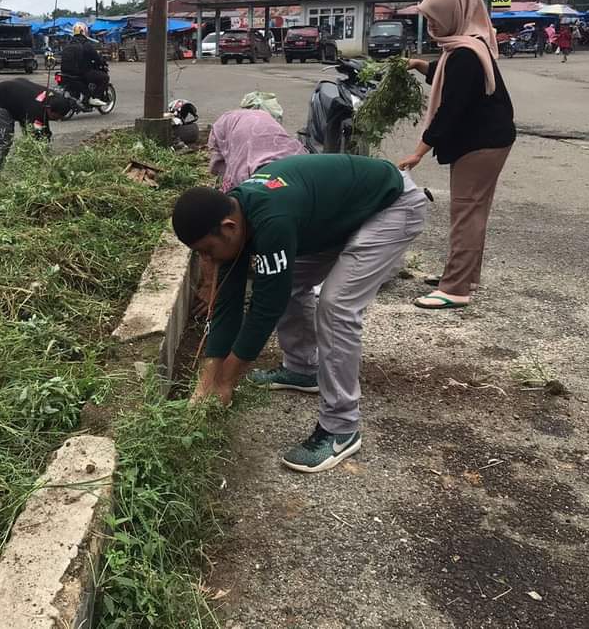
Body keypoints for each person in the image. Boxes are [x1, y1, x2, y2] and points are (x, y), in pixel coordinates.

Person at [172, 154, 427, 473]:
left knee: (336, 306)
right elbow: (228, 305)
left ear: (228, 227)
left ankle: (341, 427)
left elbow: (266, 308)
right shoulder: (237, 217)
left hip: (391, 206)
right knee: (286, 282)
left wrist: (226, 382)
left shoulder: (271, 220)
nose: (208, 260)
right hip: (345, 213)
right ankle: (304, 368)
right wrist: (205, 383)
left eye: (208, 251)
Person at [397, 0, 516, 310]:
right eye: (429, 18)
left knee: (466, 213)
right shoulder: (466, 45)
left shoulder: (465, 53)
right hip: (489, 139)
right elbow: (447, 75)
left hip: (479, 143)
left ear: (456, 13)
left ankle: (455, 289)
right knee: (474, 210)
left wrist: (418, 151)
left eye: (436, 17)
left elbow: (451, 108)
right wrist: (420, 65)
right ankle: (464, 277)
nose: (432, 24)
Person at [193, 108, 307, 315]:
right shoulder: (240, 183)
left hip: (262, 143)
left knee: (294, 282)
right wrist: (211, 284)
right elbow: (214, 234)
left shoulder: (287, 189)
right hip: (237, 130)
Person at [0, 78, 72, 170]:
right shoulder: (36, 109)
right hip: (2, 96)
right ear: (49, 109)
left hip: (21, 99)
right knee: (4, 139)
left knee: (31, 136)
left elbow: (44, 131)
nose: (58, 120)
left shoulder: (56, 98)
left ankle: (31, 165)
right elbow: (39, 133)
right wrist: (47, 157)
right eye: (56, 117)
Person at [59, 22, 108, 106]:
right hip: (82, 73)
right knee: (105, 77)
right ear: (84, 31)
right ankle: (94, 98)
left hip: (66, 72)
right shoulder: (86, 44)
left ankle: (84, 97)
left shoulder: (69, 44)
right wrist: (102, 62)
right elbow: (96, 57)